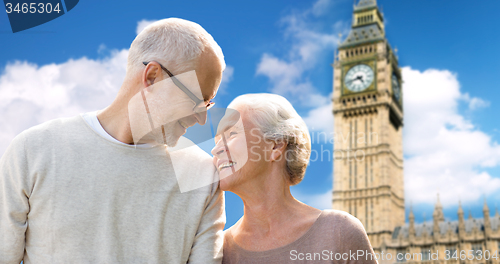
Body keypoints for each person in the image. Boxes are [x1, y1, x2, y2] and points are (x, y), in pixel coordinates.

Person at [0, 18, 226, 263]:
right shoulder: (33, 150)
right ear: (152, 77)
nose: (202, 119)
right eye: (195, 100)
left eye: (207, 105)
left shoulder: (204, 177)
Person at [211, 94, 377, 264]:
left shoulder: (339, 232)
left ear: (275, 146)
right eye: (216, 141)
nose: (215, 150)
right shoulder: (218, 251)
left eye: (231, 134)